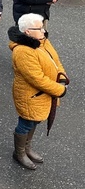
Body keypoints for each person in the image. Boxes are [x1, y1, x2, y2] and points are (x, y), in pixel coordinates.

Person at [8, 13, 68, 170]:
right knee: (27, 122)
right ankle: (19, 153)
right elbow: (37, 79)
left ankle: (26, 148)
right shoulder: (22, 51)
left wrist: (61, 77)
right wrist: (59, 89)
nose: (43, 31)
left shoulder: (42, 41)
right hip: (31, 95)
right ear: (27, 31)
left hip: (43, 94)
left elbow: (56, 61)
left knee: (35, 119)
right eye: (39, 28)